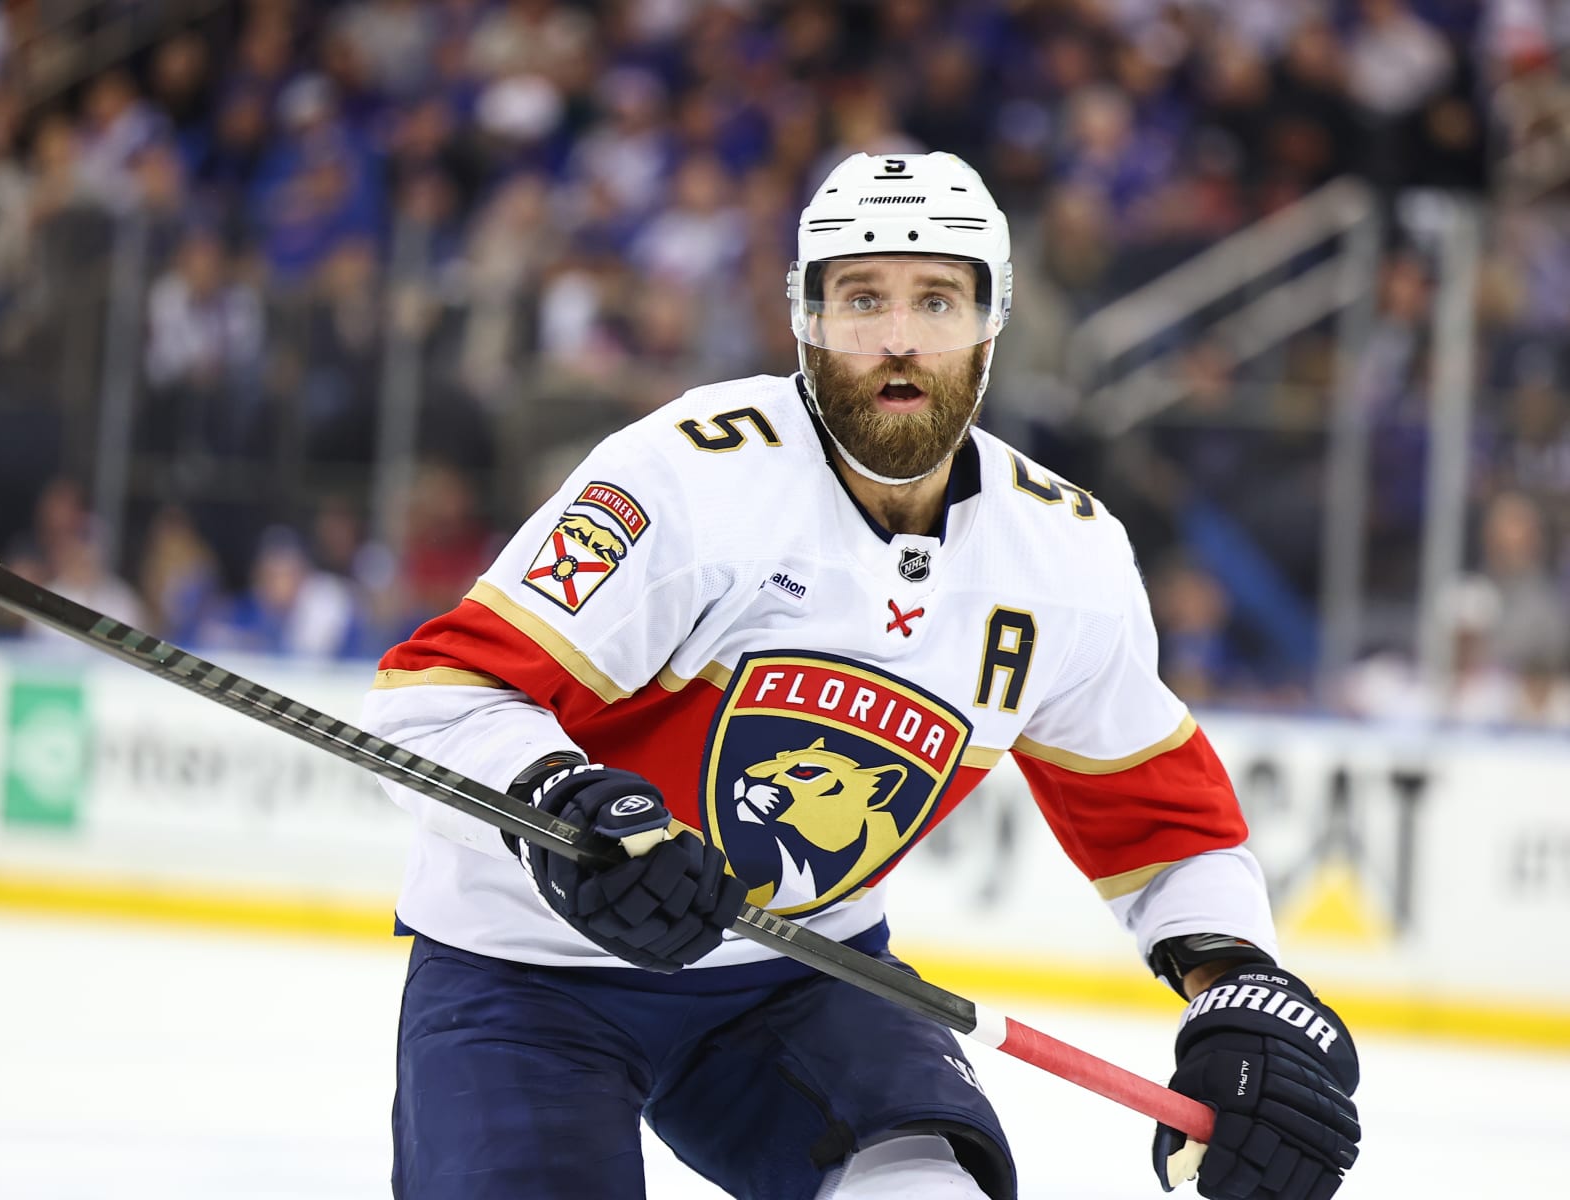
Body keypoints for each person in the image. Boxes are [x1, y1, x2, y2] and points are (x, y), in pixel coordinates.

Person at [360, 152, 1361, 1200]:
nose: (899, 338)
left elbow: (1161, 823)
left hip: (800, 972)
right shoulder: (683, 479)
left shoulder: (1065, 555)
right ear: (805, 317)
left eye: (937, 300)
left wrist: (1237, 983)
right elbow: (436, 697)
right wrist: (564, 807)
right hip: (525, 967)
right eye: (862, 299)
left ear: (992, 322)